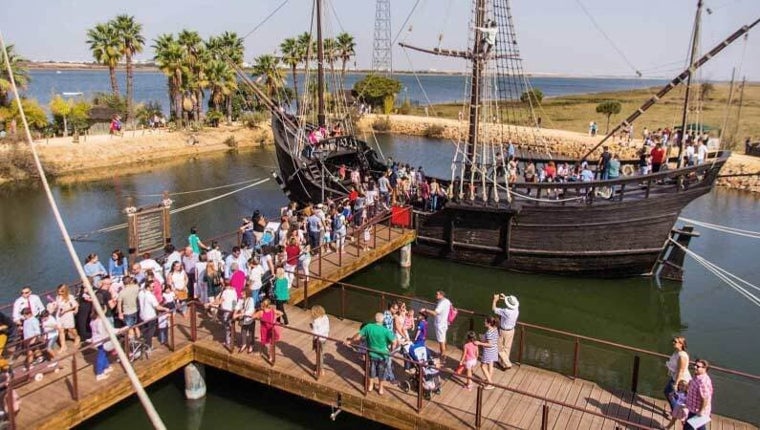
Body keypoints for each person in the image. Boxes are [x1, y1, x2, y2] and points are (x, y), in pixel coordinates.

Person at [346, 312, 397, 395]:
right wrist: (391, 350)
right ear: (383, 320)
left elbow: (358, 336)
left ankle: (370, 386)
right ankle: (380, 388)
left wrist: (350, 341)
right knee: (382, 372)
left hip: (371, 354)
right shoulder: (386, 330)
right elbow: (394, 341)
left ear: (375, 319)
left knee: (371, 371)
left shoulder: (368, 327)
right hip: (383, 355)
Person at [665, 336, 692, 417]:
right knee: (668, 393)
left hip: (681, 380)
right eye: (673, 341)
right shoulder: (676, 352)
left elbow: (681, 371)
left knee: (671, 394)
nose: (673, 342)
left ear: (681, 344)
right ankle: (676, 411)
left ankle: (676, 413)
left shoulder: (682, 356)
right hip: (675, 377)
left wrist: (676, 384)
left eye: (675, 341)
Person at [420, 290, 452, 357]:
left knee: (441, 341)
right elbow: (451, 307)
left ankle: (443, 355)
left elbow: (435, 313)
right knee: (443, 338)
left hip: (440, 324)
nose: (436, 295)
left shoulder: (441, 304)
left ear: (441, 295)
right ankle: (443, 352)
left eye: (437, 294)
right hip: (445, 323)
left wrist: (425, 310)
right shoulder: (447, 301)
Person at [492, 293, 519, 370]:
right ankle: (503, 364)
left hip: (503, 331)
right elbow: (512, 304)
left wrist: (495, 300)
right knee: (507, 348)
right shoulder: (516, 310)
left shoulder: (506, 311)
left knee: (498, 347)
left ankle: (507, 363)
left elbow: (494, 309)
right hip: (511, 330)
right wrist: (505, 298)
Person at [684, 359, 713, 430]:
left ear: (705, 369)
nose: (695, 367)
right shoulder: (697, 376)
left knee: (688, 427)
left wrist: (701, 411)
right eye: (695, 365)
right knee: (698, 427)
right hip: (693, 408)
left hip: (697, 411)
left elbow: (705, 398)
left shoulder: (703, 382)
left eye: (698, 366)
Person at [474, 317, 499, 390]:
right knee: (490, 365)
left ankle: (490, 383)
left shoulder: (488, 332)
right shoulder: (495, 329)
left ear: (489, 323)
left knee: (483, 366)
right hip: (494, 349)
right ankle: (488, 380)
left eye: (485, 322)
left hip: (489, 351)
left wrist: (479, 343)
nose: (484, 323)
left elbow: (489, 344)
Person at [54, 284, 79, 350]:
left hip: (67, 314)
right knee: (61, 330)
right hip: (59, 315)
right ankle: (63, 346)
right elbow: (57, 306)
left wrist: (65, 310)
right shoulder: (57, 297)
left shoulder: (70, 297)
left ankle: (77, 337)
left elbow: (74, 305)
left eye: (61, 291)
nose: (60, 293)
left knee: (70, 329)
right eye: (58, 291)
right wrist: (54, 306)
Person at [89, 311, 113, 381]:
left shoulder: (92, 321)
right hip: (101, 340)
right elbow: (101, 331)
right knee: (101, 355)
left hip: (95, 339)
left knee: (103, 352)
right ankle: (99, 373)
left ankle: (106, 367)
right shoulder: (100, 321)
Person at [310, 305, 330, 377]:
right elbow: (327, 328)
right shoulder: (325, 317)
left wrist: (312, 328)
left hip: (318, 339)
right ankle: (319, 367)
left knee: (319, 355)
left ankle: (320, 370)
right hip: (324, 337)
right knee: (320, 353)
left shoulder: (316, 321)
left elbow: (315, 333)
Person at [236, 288, 257, 354]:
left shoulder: (251, 300)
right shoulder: (241, 299)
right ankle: (244, 344)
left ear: (247, 294)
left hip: (250, 319)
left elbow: (251, 310)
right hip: (244, 319)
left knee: (251, 333)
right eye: (242, 293)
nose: (241, 294)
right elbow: (237, 306)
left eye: (243, 293)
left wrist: (242, 313)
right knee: (243, 332)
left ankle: (251, 345)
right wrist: (235, 312)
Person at [218, 282, 238, 349]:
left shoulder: (225, 292)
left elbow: (221, 301)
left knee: (227, 327)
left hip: (226, 311)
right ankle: (234, 337)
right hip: (232, 311)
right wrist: (233, 310)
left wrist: (211, 304)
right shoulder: (234, 291)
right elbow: (235, 301)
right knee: (232, 324)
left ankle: (228, 342)